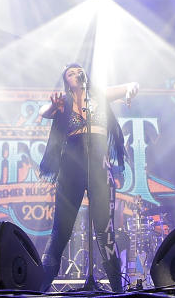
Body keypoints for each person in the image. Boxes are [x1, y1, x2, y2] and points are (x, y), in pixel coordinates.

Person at [37, 63, 138, 292]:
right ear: (67, 81)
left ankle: (117, 291)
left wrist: (131, 90)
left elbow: (131, 86)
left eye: (78, 71)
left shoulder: (99, 96)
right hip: (71, 169)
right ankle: (39, 289)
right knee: (60, 232)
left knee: (105, 233)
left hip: (99, 168)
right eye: (70, 73)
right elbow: (44, 113)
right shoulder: (64, 101)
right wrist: (53, 107)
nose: (75, 74)